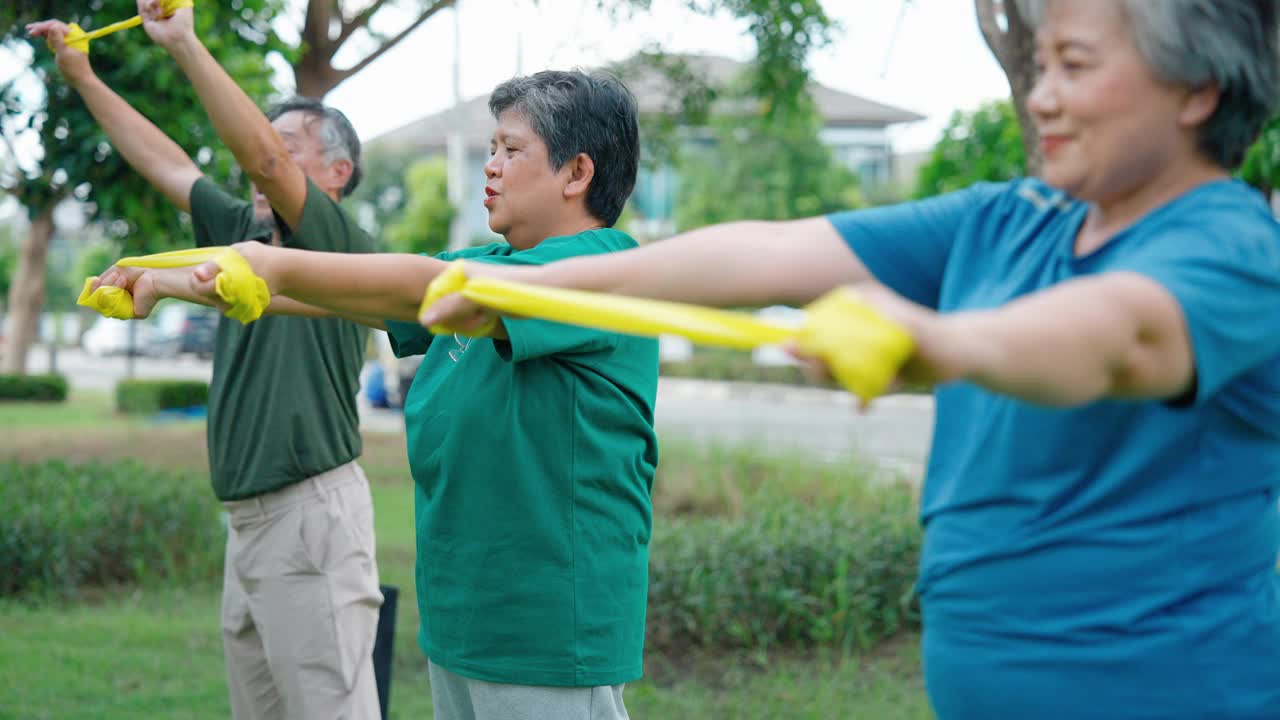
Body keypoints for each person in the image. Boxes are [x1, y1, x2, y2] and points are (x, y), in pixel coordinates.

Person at [419, 1, 1280, 718]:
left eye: (1076, 67)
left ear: (1198, 89)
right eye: (1040, 67)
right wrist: (535, 289)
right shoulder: (1009, 219)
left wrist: (941, 340)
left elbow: (1122, 336)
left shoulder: (1231, 244)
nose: (1044, 98)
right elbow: (764, 254)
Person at [98, 68, 656, 720]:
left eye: (511, 149)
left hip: (549, 632)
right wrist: (163, 282)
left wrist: (270, 262)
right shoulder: (496, 272)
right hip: (466, 624)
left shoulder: (600, 273)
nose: (491, 166)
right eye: (492, 148)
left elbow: (421, 283)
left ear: (576, 172)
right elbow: (322, 295)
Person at [28, 2, 383, 717]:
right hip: (247, 524)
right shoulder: (239, 233)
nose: (259, 156)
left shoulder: (339, 245)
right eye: (264, 136)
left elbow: (264, 159)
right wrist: (83, 75)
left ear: (337, 172)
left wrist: (184, 44)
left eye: (283, 142)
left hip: (310, 518)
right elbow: (169, 161)